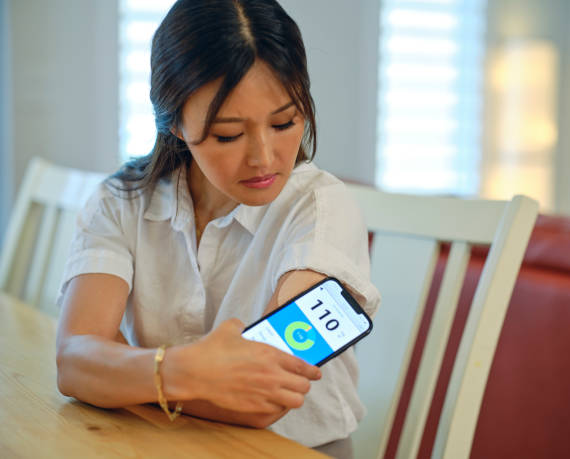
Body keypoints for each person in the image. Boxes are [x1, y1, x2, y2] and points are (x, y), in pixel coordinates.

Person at [55, 0, 380, 457]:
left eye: (285, 122)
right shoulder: (121, 200)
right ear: (174, 124)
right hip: (159, 443)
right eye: (228, 134)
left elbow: (264, 398)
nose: (265, 158)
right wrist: (185, 371)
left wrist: (128, 374)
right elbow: (73, 364)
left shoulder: (320, 206)